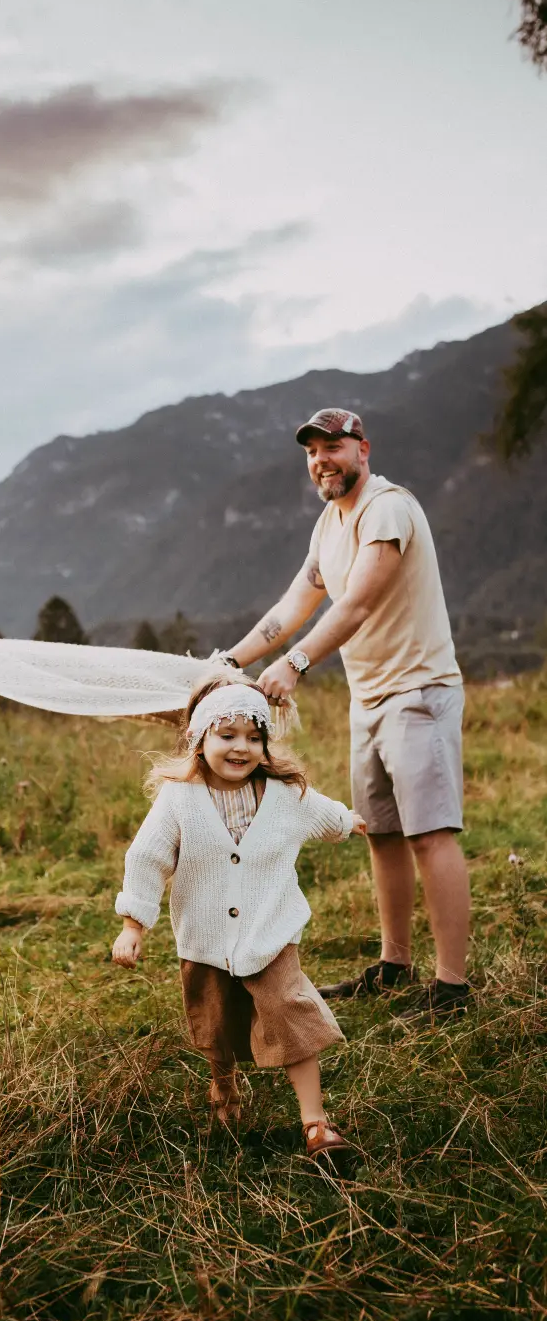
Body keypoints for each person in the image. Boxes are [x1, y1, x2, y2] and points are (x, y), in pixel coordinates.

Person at [220, 408, 470, 1022]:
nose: (322, 459)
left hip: (418, 691)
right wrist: (231, 660)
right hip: (371, 699)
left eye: (334, 446)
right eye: (312, 451)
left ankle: (453, 987)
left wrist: (296, 665)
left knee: (430, 834)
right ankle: (395, 966)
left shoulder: (387, 508)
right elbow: (291, 607)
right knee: (381, 834)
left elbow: (357, 602)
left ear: (363, 449)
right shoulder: (328, 525)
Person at [111, 671, 366, 1161]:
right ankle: (223, 1090)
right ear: (199, 738)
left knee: (291, 1011)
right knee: (217, 1023)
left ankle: (315, 1123)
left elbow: (322, 813)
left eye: (254, 737)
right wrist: (133, 924)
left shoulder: (283, 795)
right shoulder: (179, 799)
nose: (241, 748)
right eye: (227, 736)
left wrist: (348, 822)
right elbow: (147, 858)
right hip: (205, 937)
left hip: (270, 931)